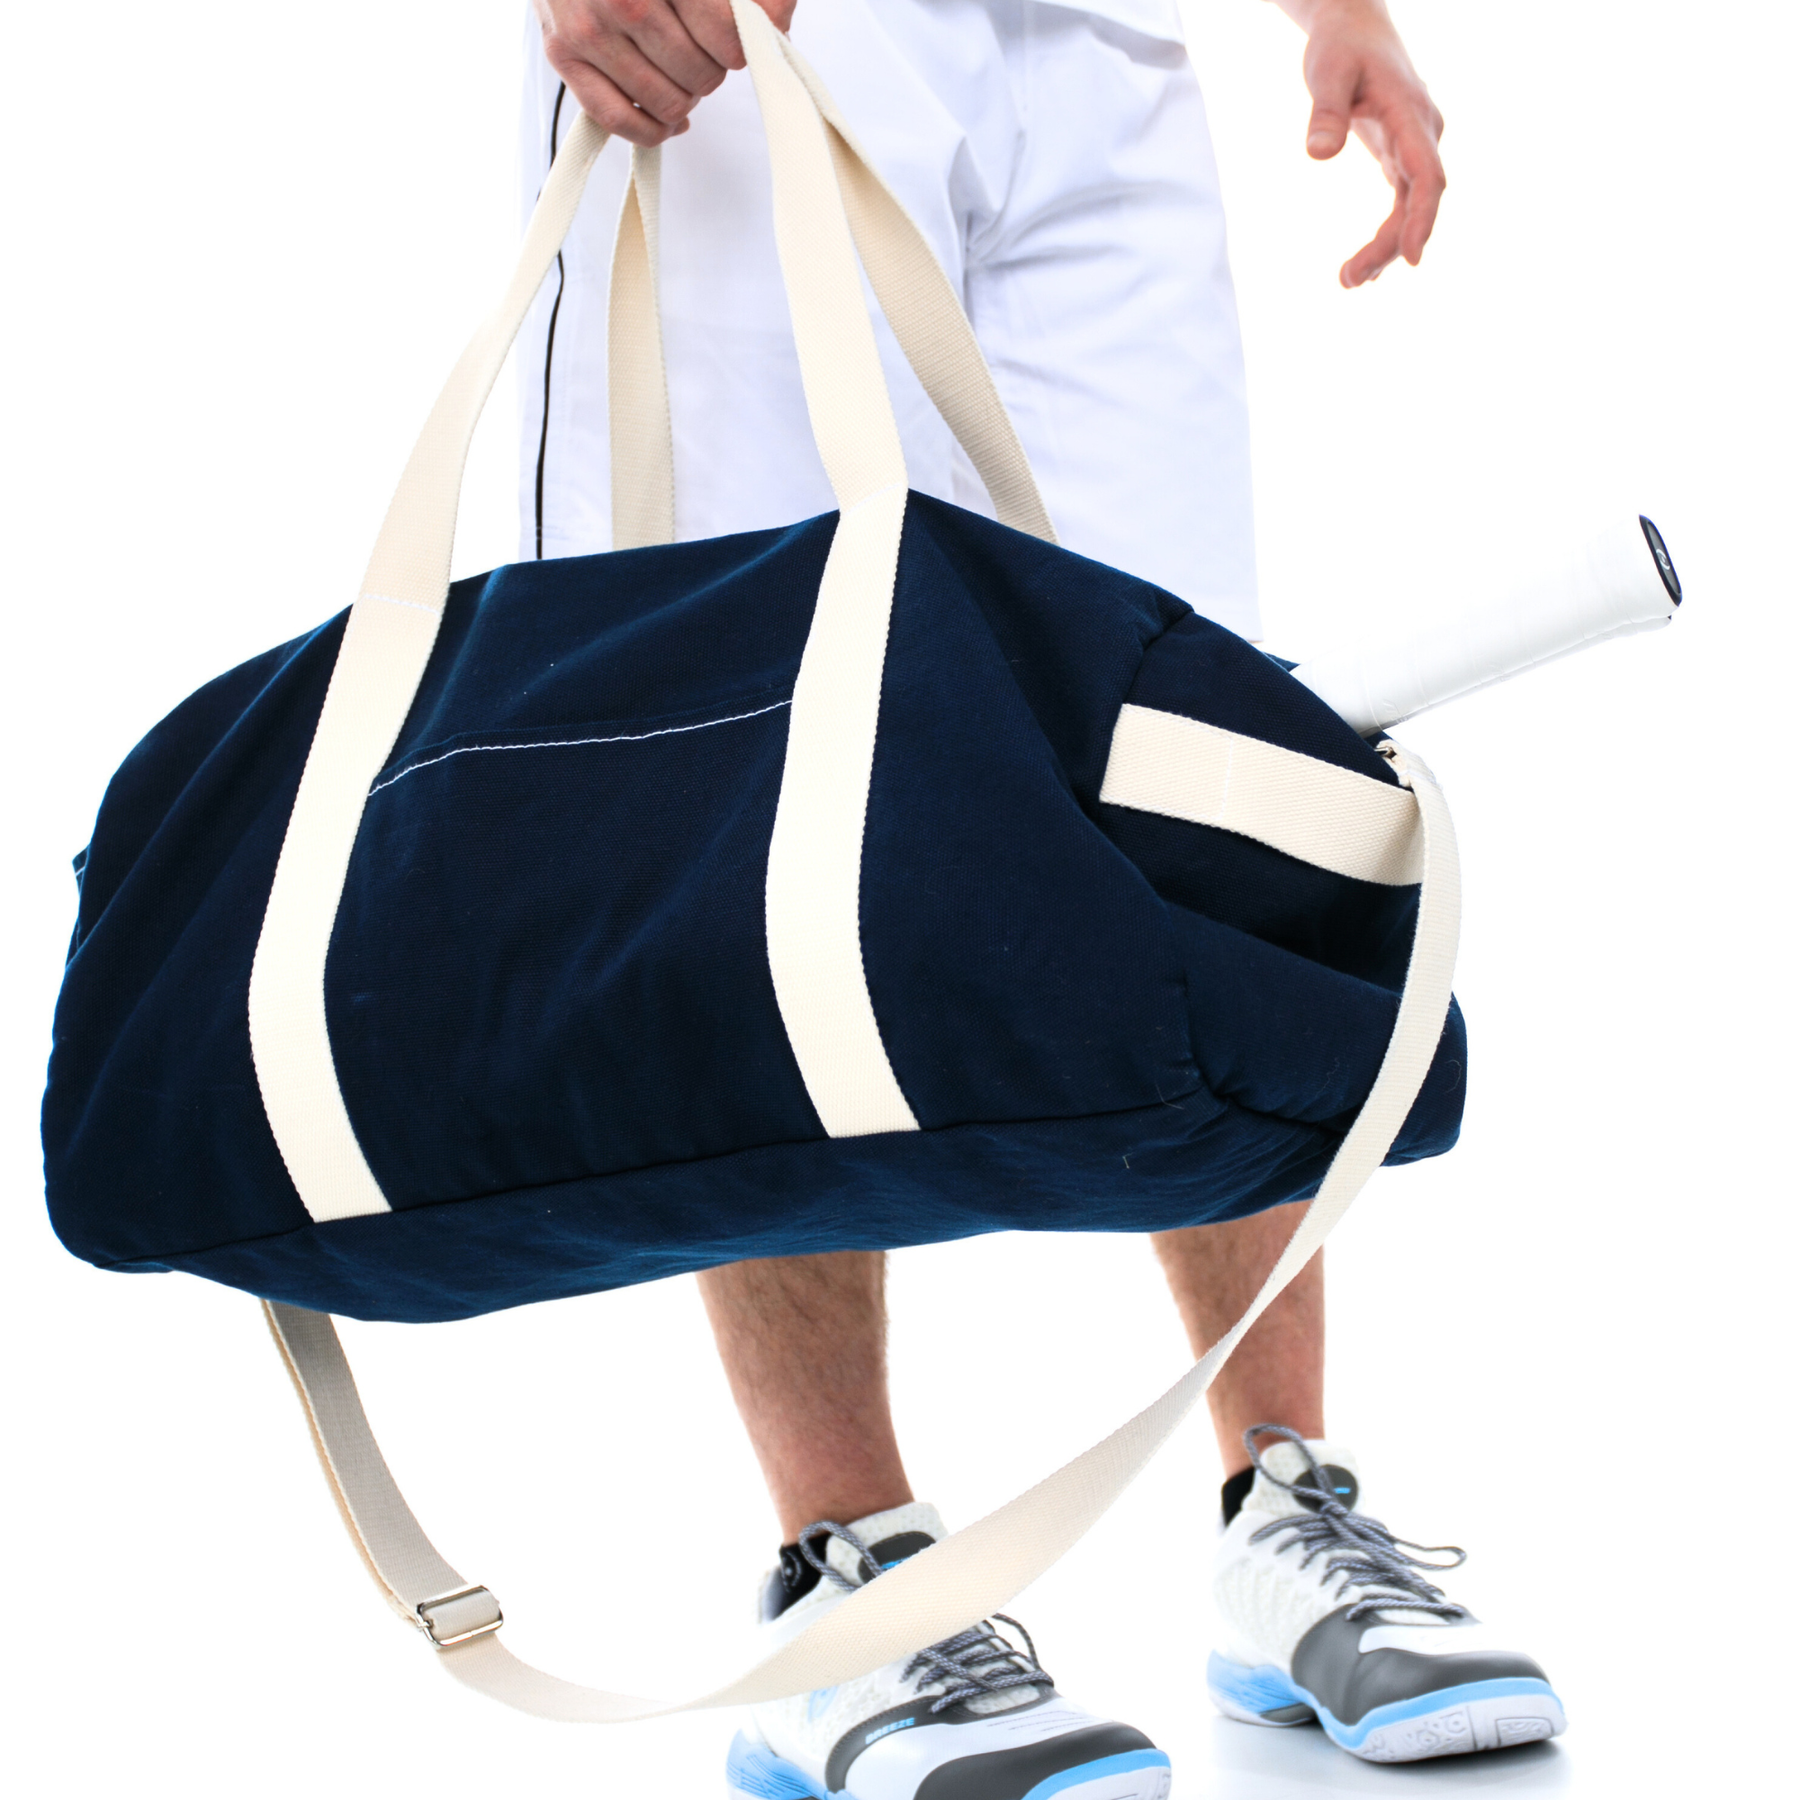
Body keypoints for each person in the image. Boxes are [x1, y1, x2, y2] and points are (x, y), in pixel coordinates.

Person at [518, 0, 1565, 1788]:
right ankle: (845, 1582)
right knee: (757, 786)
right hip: (743, 51)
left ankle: (1283, 1506)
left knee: (1196, 768)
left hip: (1097, 50)